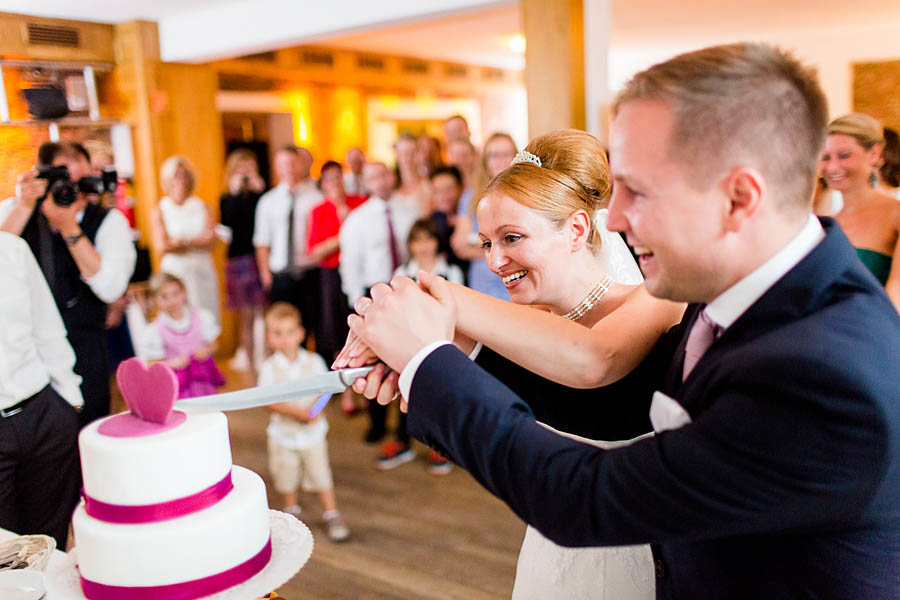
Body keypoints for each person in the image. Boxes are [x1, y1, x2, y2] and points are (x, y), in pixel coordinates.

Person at [344, 43, 900, 598]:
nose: (615, 217)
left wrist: (427, 363)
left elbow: (584, 498)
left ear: (738, 198)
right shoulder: (738, 292)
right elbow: (609, 407)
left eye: (638, 189)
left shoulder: (824, 373)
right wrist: (454, 358)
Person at [0, 141, 136, 427]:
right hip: (26, 354)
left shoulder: (109, 222)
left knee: (88, 432)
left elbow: (110, 287)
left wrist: (69, 228)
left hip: (85, 347)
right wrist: (25, 205)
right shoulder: (17, 210)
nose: (71, 192)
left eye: (80, 182)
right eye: (62, 182)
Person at [0, 232, 82, 549]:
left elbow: (47, 327)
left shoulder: (12, 249)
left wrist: (71, 404)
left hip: (44, 414)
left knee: (49, 545)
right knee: (6, 558)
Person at [377, 218, 464, 474]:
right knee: (406, 392)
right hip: (410, 343)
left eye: (429, 239)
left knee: (440, 394)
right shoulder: (403, 272)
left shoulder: (451, 272)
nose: (423, 246)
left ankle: (441, 447)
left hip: (443, 342)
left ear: (437, 242)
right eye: (417, 240)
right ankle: (403, 442)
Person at [339, 161, 418, 442]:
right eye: (373, 177)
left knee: (407, 358)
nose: (380, 181)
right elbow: (349, 265)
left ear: (391, 176)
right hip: (371, 296)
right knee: (375, 361)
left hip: (406, 293)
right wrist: (356, 304)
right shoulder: (357, 219)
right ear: (367, 183)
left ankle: (407, 428)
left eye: (384, 174)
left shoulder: (410, 210)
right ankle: (377, 424)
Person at [260, 302, 350, 542]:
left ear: (300, 333)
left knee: (320, 472)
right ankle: (292, 513)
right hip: (283, 435)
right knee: (286, 474)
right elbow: (267, 400)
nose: (285, 339)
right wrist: (295, 412)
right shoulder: (269, 368)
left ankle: (331, 513)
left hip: (313, 435)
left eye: (290, 332)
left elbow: (327, 390)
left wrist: (316, 410)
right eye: (278, 333)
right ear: (269, 338)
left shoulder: (313, 361)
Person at [818, 113, 900, 309]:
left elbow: (896, 291)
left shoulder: (895, 214)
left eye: (844, 155)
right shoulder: (823, 223)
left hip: (877, 331)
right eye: (825, 157)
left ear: (874, 154)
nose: (832, 166)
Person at [254, 145, 324, 355]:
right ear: (277, 167)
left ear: (302, 164)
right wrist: (266, 274)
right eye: (284, 164)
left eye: (293, 162)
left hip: (311, 272)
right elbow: (262, 242)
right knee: (283, 328)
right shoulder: (268, 201)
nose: (289, 168)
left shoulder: (317, 197)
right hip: (281, 275)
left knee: (313, 327)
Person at [307, 160, 367, 363]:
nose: (334, 182)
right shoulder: (319, 211)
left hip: (359, 271)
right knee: (334, 327)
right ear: (323, 184)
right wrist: (344, 229)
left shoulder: (360, 202)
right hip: (331, 274)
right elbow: (315, 252)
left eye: (338, 176)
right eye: (329, 178)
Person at [152, 155, 220, 325]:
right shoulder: (161, 209)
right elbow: (163, 246)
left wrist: (182, 242)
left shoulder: (202, 206)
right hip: (177, 272)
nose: (181, 180)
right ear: (167, 179)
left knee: (206, 315)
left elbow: (211, 242)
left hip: (201, 269)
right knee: (181, 315)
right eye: (176, 175)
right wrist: (196, 242)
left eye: (185, 175)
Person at [451, 132, 517, 300]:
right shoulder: (471, 196)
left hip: (519, 280)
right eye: (494, 155)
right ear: (486, 161)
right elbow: (460, 245)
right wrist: (511, 249)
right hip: (485, 283)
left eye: (506, 154)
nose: (501, 160)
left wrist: (485, 246)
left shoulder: (526, 194)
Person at [219, 148, 267, 371]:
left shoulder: (264, 197)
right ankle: (250, 363)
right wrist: (236, 193)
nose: (246, 173)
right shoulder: (227, 198)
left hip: (260, 258)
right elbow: (228, 224)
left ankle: (267, 359)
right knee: (246, 316)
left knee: (265, 313)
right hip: (239, 260)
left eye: (249, 168)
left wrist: (260, 191)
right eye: (241, 168)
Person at [144, 272, 224, 399]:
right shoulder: (155, 330)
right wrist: (171, 363)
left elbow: (215, 345)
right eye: (164, 297)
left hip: (203, 380)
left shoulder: (201, 317)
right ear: (155, 300)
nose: (171, 301)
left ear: (184, 293)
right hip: (176, 386)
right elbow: (151, 364)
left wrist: (206, 350)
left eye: (175, 294)